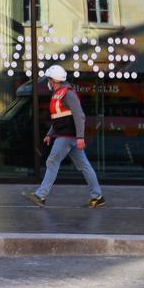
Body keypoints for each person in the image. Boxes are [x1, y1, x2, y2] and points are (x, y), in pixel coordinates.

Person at [23, 65, 105, 208]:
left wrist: (80, 137)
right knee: (84, 166)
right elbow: (59, 118)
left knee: (52, 162)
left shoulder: (67, 94)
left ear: (54, 80)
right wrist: (50, 134)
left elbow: (79, 116)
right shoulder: (59, 94)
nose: (48, 82)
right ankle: (97, 197)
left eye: (49, 79)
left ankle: (40, 195)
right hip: (67, 135)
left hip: (67, 136)